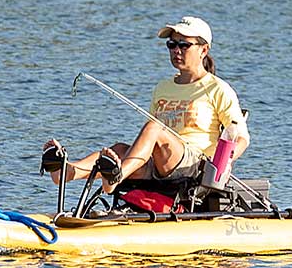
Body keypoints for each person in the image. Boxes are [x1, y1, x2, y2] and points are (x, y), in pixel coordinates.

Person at [45, 16, 248, 194]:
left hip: (194, 166)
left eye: (184, 45)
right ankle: (68, 171)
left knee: (154, 127)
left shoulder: (217, 89)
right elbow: (150, 140)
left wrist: (224, 164)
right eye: (172, 45)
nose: (176, 50)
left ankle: (117, 176)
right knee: (119, 150)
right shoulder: (162, 88)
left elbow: (241, 138)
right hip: (159, 163)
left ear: (203, 50)